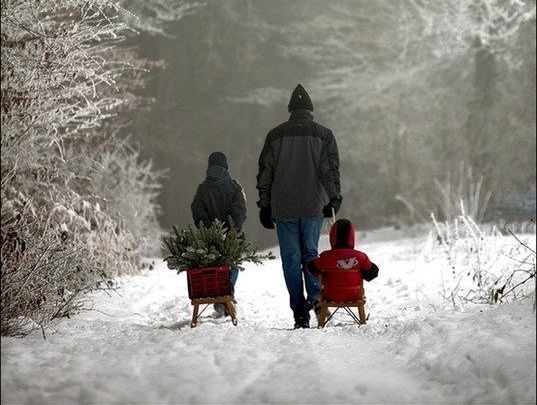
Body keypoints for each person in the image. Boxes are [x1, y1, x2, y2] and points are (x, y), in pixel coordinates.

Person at [256, 84, 342, 329]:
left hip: (284, 208)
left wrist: (265, 205)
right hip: (313, 206)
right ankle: (316, 298)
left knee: (290, 261)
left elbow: (266, 173)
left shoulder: (275, 136)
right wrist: (334, 198)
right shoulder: (324, 135)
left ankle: (299, 312)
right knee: (310, 255)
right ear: (311, 110)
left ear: (291, 110)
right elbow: (330, 171)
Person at [191, 151, 247, 317]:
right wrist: (232, 229)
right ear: (226, 166)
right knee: (233, 263)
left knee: (214, 267)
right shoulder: (235, 187)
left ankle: (219, 296)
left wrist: (208, 229)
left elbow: (197, 210)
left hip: (210, 238)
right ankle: (227, 293)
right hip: (233, 237)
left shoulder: (202, 189)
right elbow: (240, 212)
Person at [308, 218, 379, 294]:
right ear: (352, 236)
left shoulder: (326, 256)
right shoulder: (360, 256)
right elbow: (373, 272)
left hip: (331, 295)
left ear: (332, 237)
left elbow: (312, 268)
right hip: (354, 295)